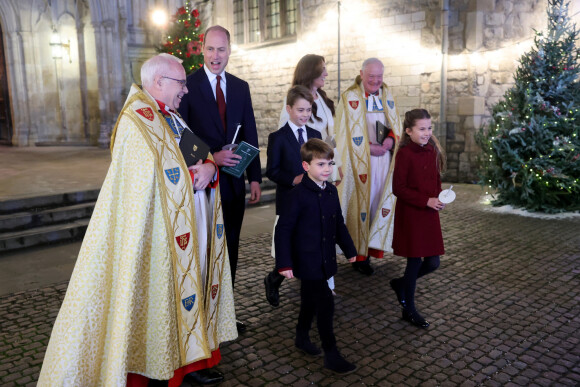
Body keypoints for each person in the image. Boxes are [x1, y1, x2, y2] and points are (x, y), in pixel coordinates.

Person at [37, 53, 237, 386]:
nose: (185, 91)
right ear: (159, 82)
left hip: (187, 230)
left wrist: (209, 167)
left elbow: (199, 156)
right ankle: (160, 365)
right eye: (181, 84)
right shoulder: (136, 122)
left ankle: (189, 362)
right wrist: (193, 175)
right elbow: (147, 184)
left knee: (188, 293)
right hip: (157, 238)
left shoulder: (172, 118)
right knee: (161, 301)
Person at [178, 26, 261, 334]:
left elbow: (250, 132)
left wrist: (254, 177)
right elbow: (182, 135)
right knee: (205, 249)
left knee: (232, 248)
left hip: (234, 183)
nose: (216, 56)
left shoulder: (240, 87)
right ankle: (201, 319)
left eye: (221, 50)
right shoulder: (187, 85)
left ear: (230, 50)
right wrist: (213, 155)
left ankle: (224, 313)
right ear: (203, 50)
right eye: (211, 50)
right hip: (202, 184)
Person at [275, 138, 358, 374]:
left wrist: (350, 250)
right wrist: (284, 263)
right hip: (306, 260)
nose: (327, 169)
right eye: (321, 164)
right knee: (326, 303)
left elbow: (338, 224)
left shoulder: (331, 191)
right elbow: (283, 230)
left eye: (330, 164)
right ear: (306, 166)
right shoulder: (297, 195)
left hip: (325, 258)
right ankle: (331, 354)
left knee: (309, 302)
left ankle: (302, 337)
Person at [335, 58, 402, 276]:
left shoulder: (386, 94)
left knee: (377, 204)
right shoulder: (349, 98)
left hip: (384, 161)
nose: (375, 81)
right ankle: (359, 256)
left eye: (379, 76)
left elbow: (395, 124)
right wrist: (367, 148)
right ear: (361, 74)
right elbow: (342, 135)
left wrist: (391, 140)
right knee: (361, 208)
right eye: (371, 76)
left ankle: (374, 247)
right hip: (359, 162)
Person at [263, 85, 322, 307]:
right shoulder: (277, 138)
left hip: (312, 201)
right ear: (289, 109)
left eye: (308, 110)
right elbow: (272, 171)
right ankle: (274, 278)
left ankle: (311, 291)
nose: (305, 115)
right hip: (289, 201)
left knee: (308, 247)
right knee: (290, 247)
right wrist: (293, 179)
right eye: (300, 110)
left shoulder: (316, 135)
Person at [389, 109, 446, 328]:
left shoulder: (432, 150)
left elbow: (435, 178)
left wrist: (440, 196)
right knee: (414, 262)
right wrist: (425, 200)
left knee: (433, 262)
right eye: (421, 129)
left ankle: (400, 284)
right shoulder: (404, 154)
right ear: (409, 131)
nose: (426, 132)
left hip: (430, 214)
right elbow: (398, 188)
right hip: (412, 214)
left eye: (429, 128)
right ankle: (408, 309)